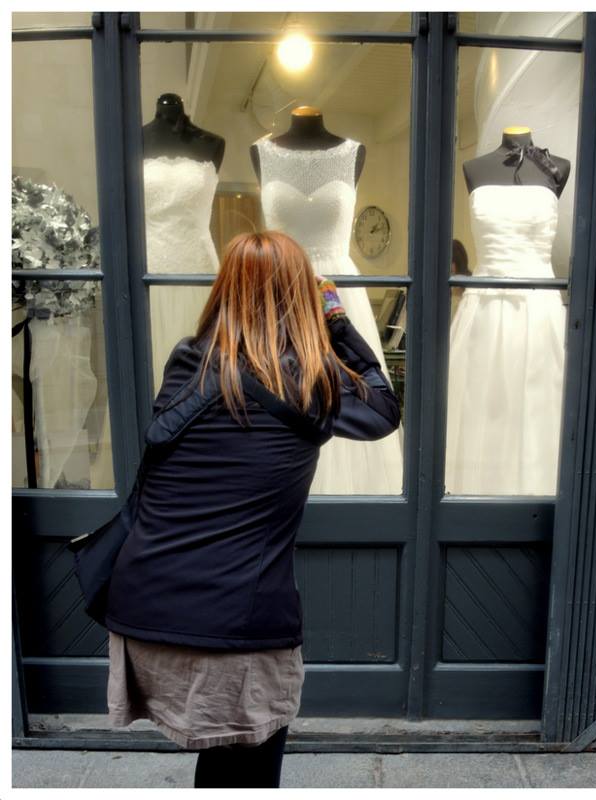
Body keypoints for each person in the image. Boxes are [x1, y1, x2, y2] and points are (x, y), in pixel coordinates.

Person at [104, 230, 402, 788]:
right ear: (301, 297)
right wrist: (336, 321)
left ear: (223, 290)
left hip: (143, 606)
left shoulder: (187, 360)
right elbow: (383, 409)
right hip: (234, 626)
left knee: (225, 763)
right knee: (249, 771)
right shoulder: (310, 377)